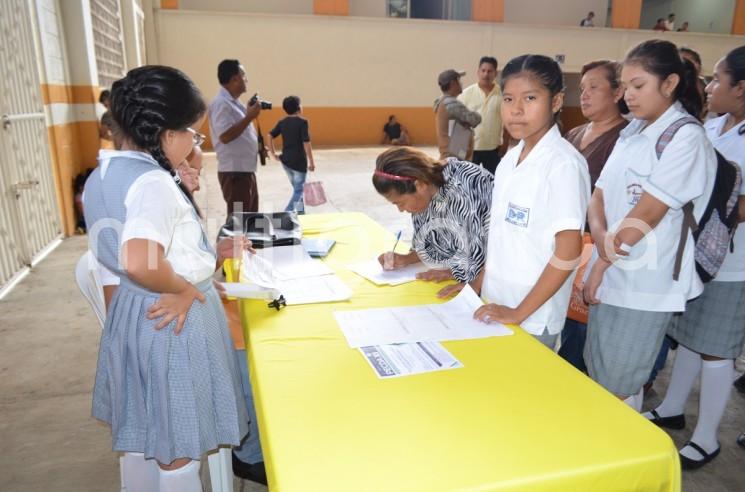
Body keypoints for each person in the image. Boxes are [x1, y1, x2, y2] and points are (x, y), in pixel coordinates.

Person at [83, 65, 250, 491]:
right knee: (179, 450)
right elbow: (140, 259)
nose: (197, 143)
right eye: (192, 135)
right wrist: (184, 288)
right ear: (165, 134)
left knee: (145, 436)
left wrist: (179, 190)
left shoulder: (102, 174)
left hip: (135, 314)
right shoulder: (152, 183)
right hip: (171, 322)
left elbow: (125, 250)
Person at [582, 39, 717, 414]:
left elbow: (650, 210)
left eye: (638, 86)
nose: (628, 96)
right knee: (602, 372)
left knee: (621, 382)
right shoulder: (633, 132)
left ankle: (623, 459)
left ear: (670, 82)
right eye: (624, 87)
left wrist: (603, 260)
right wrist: (603, 241)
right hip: (613, 268)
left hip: (647, 283)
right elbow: (599, 195)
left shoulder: (686, 137)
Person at [642, 45, 745, 470]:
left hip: (733, 263)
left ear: (741, 88)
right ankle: (672, 406)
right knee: (689, 335)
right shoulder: (714, 125)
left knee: (716, 349)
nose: (710, 86)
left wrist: (710, 206)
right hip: (696, 253)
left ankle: (707, 438)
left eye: (718, 79)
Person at [465, 54, 590, 350]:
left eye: (530, 98)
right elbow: (502, 235)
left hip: (532, 316)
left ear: (556, 102)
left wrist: (520, 312)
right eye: (508, 99)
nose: (516, 110)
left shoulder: (563, 164)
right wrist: (476, 284)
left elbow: (569, 250)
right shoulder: (510, 159)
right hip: (496, 302)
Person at [558, 60, 629, 370]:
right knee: (565, 324)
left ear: (617, 92)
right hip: (567, 243)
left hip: (601, 246)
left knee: (587, 332)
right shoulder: (573, 134)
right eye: (582, 88)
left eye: (594, 88)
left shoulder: (627, 138)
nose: (584, 95)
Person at [372, 146, 493, 286]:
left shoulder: (464, 188)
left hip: (496, 276)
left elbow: (481, 253)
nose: (401, 210)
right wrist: (406, 259)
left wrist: (461, 276)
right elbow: (432, 244)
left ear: (419, 185)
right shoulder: (425, 194)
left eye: (401, 202)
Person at [209, 59, 262, 221]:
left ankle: (245, 246)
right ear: (234, 79)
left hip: (244, 171)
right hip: (235, 174)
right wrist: (249, 117)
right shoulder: (221, 104)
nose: (246, 80)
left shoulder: (234, 103)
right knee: (239, 220)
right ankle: (234, 247)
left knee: (249, 218)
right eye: (243, 76)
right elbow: (224, 136)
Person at [266, 95, 316, 213]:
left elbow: (269, 135)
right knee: (299, 191)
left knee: (297, 189)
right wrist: (311, 162)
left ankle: (300, 214)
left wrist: (273, 154)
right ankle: (287, 212)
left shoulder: (282, 122)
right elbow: (306, 142)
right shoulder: (303, 122)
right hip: (299, 163)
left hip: (286, 162)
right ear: (299, 107)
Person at [459, 56, 504, 174]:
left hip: (493, 149)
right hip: (471, 149)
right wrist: (459, 148)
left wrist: (505, 143)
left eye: (490, 71)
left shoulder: (502, 95)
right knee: (468, 182)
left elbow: (506, 120)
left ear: (495, 73)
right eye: (483, 71)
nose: (486, 74)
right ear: (478, 72)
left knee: (493, 182)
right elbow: (458, 121)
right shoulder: (466, 94)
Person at [434, 69, 482, 161]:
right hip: (454, 154)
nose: (461, 83)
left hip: (454, 151)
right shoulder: (451, 104)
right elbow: (475, 119)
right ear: (453, 83)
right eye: (458, 80)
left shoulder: (441, 102)